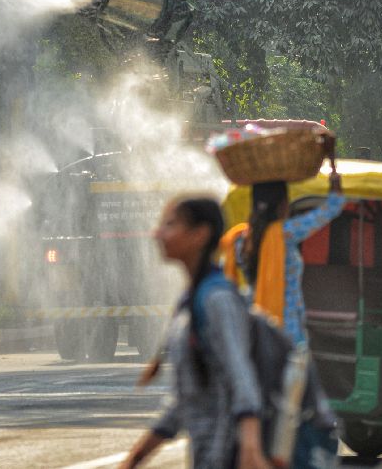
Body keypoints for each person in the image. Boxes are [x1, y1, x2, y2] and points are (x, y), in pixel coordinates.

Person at [121, 197, 270, 469]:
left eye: (170, 225)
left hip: (229, 456)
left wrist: (250, 448)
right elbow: (186, 401)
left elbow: (243, 380)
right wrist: (136, 458)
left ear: (200, 235)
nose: (157, 233)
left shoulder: (217, 300)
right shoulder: (190, 300)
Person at [218, 173, 344, 346]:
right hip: (285, 324)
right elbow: (331, 208)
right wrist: (335, 185)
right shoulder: (284, 233)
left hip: (254, 321)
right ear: (282, 205)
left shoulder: (239, 238)